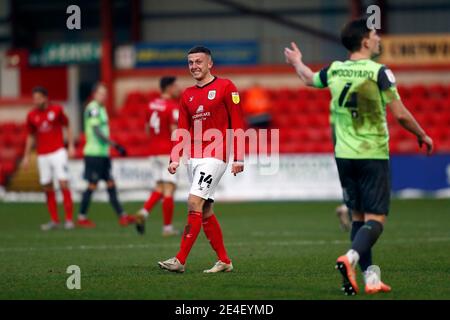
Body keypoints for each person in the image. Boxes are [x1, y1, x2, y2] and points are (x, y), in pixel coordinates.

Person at [284, 17, 433, 295]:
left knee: (358, 218)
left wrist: (296, 61)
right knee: (377, 219)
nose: (378, 38)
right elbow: (399, 114)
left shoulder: (335, 70)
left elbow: (307, 78)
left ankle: (371, 278)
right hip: (372, 154)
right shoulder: (379, 72)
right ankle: (349, 258)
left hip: (343, 155)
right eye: (375, 34)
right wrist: (422, 134)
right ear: (365, 41)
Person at [157, 46, 245, 273]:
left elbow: (237, 121)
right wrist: (175, 157)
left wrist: (239, 156)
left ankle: (180, 260)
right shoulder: (186, 94)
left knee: (194, 201)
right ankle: (224, 261)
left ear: (209, 64)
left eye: (198, 62)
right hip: (193, 157)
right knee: (205, 209)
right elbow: (181, 129)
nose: (194, 66)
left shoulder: (226, 86)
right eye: (190, 63)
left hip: (216, 155)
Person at [77, 83, 135, 228]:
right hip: (94, 154)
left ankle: (122, 216)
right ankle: (81, 217)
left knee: (111, 184)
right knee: (92, 185)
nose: (104, 96)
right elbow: (96, 131)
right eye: (101, 93)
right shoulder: (93, 108)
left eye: (105, 94)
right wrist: (114, 145)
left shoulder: (101, 108)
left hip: (102, 154)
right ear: (94, 94)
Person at [22, 86, 75, 231]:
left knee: (63, 183)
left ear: (45, 98)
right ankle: (55, 220)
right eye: (34, 98)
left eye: (38, 98)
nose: (36, 101)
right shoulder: (31, 115)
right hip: (42, 154)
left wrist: (70, 145)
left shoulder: (57, 110)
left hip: (58, 152)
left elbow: (67, 125)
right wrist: (26, 156)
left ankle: (69, 219)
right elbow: (31, 136)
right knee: (47, 186)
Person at [135, 76, 181, 237]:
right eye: (175, 86)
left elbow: (148, 129)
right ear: (168, 88)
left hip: (153, 151)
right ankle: (167, 228)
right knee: (169, 188)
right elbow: (174, 131)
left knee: (160, 187)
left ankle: (143, 212)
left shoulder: (151, 105)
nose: (178, 89)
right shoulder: (172, 107)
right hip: (166, 151)